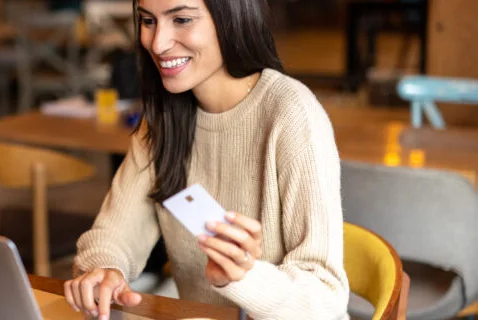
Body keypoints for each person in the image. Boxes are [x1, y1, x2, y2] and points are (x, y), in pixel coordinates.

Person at [63, 0, 350, 319]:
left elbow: (326, 300)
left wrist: (244, 277)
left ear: (232, 18)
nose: (157, 43)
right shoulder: (163, 118)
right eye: (147, 21)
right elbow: (114, 234)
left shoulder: (292, 114)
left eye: (182, 19)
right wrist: (104, 268)